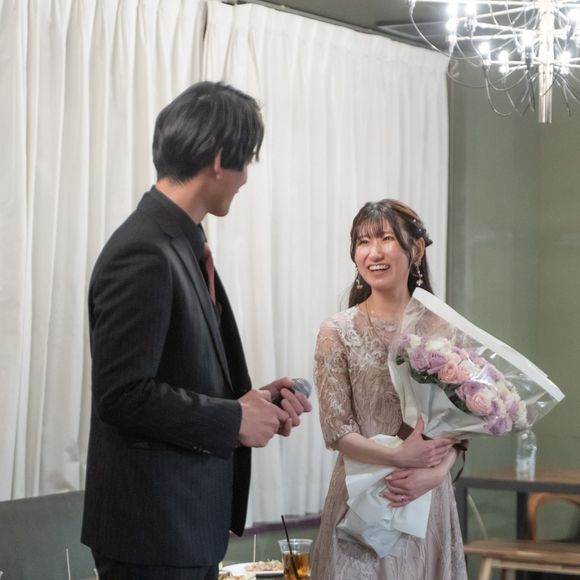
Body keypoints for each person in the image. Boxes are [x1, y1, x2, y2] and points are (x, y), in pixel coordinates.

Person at [81, 81, 311, 580]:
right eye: (247, 162)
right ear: (219, 159)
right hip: (153, 534)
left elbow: (176, 375)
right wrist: (233, 419)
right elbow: (122, 395)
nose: (245, 179)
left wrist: (253, 402)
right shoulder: (144, 250)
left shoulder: (179, 242)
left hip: (181, 528)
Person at [310, 199, 468, 579]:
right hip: (362, 498)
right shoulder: (337, 331)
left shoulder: (444, 328)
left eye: (385, 238)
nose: (374, 252)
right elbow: (337, 431)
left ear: (416, 249)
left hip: (426, 496)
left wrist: (436, 474)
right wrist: (401, 457)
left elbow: (458, 427)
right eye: (363, 241)